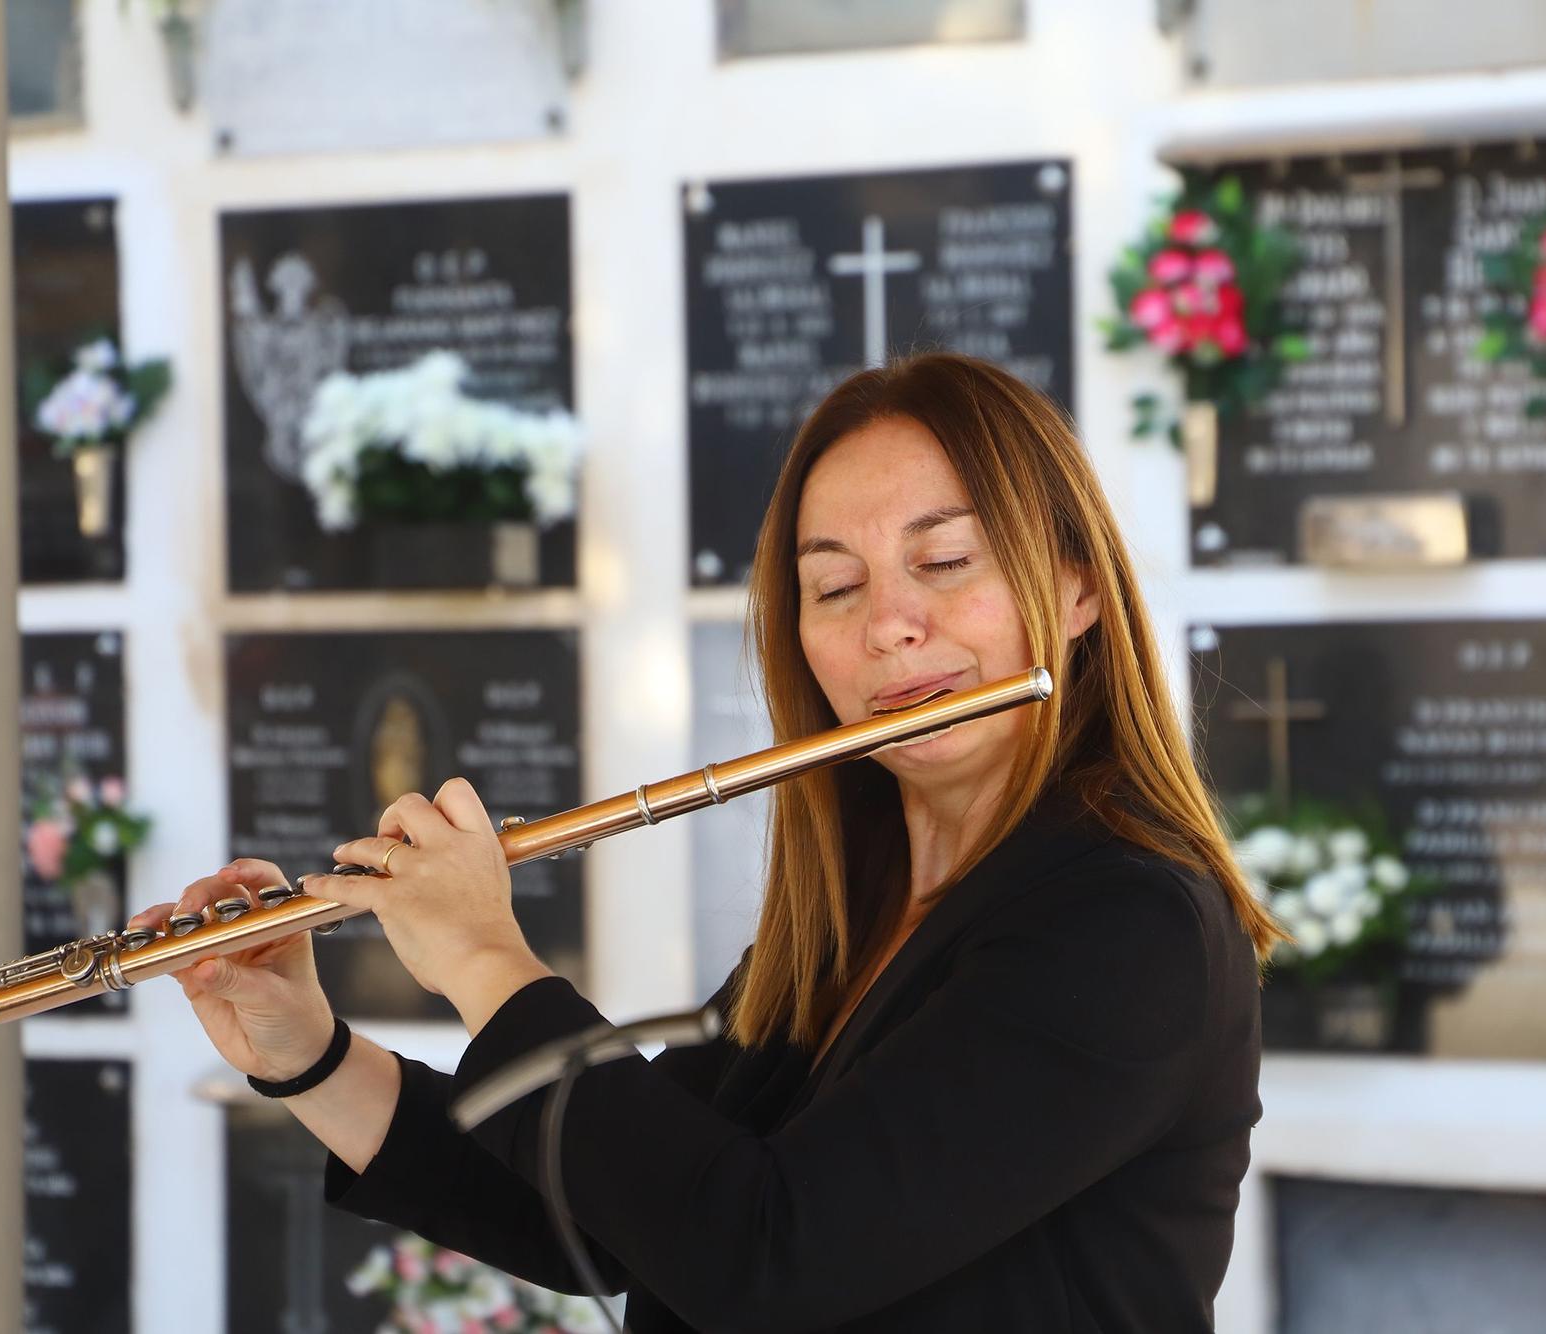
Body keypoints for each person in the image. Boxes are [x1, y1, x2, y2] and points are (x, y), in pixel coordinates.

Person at [136, 351, 1283, 1332]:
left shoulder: (1126, 924)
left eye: (943, 562)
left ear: (1076, 588)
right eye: (834, 585)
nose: (890, 623)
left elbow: (762, 1254)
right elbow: (616, 1206)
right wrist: (306, 1050)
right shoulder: (865, 913)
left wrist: (487, 960)